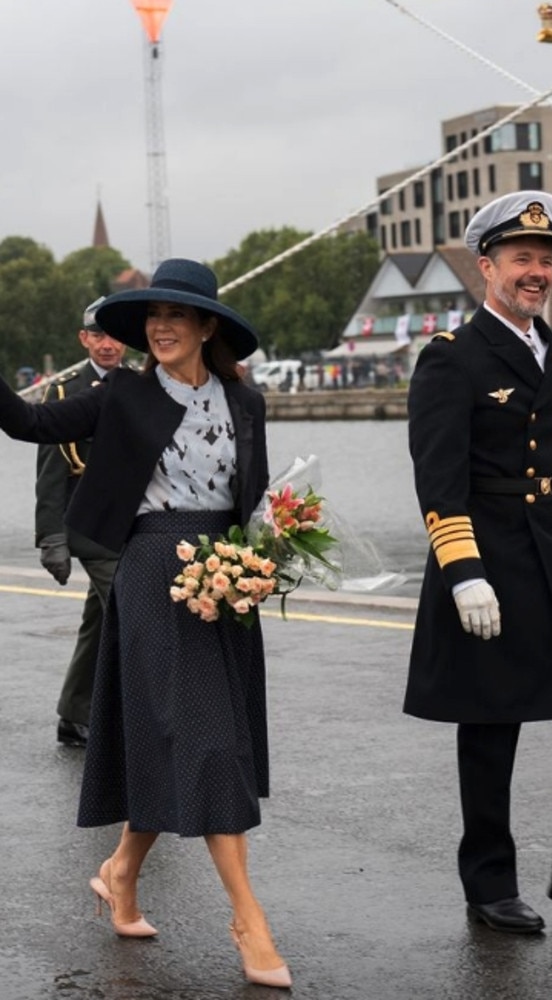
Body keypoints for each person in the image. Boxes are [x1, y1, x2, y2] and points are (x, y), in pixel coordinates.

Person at [0, 259, 291, 988]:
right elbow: (29, 422)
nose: (160, 327)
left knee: (187, 736)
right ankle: (249, 921)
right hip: (154, 566)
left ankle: (121, 871)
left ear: (206, 327)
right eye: (150, 318)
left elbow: (251, 498)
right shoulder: (122, 395)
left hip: (226, 577)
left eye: (177, 316)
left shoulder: (243, 402)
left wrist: (266, 556)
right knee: (209, 741)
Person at [404, 191, 552, 935]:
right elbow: (437, 471)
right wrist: (462, 569)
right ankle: (489, 884)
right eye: (522, 260)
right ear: (487, 267)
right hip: (488, 552)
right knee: (491, 721)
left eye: (545, 261)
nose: (536, 272)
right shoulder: (452, 358)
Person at [35, 298, 126, 747]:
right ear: (83, 339)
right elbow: (51, 469)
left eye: (114, 336)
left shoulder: (142, 383)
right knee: (132, 613)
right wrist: (51, 535)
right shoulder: (65, 390)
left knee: (100, 620)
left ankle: (75, 714)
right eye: (97, 336)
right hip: (87, 527)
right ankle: (143, 722)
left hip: (130, 521)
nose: (107, 345)